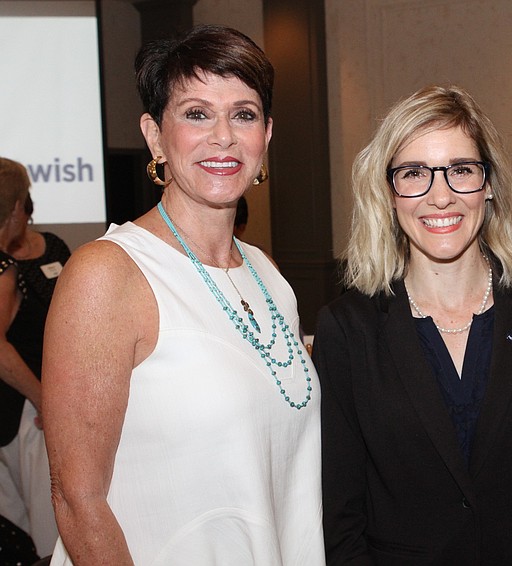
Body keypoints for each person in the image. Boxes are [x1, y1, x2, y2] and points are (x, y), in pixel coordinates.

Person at [42, 25, 324, 565]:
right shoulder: (108, 273)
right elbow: (79, 501)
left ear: (266, 135)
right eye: (197, 113)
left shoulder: (268, 276)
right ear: (154, 136)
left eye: (243, 114)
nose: (223, 136)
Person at [314, 85, 512, 565]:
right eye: (413, 174)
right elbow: (342, 517)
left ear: (488, 184)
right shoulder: (347, 330)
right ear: (387, 192)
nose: (441, 196)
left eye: (461, 170)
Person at [0, 157, 59, 559]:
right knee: (41, 527)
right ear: (18, 208)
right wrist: (43, 398)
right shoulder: (3, 267)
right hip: (19, 409)